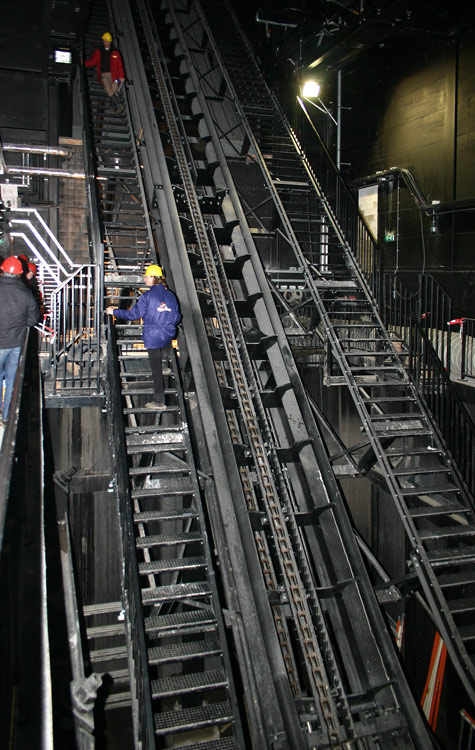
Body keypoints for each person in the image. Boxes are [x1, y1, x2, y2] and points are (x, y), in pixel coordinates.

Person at [106, 265, 181, 410]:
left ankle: (159, 401)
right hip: (169, 333)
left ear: (153, 278)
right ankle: (165, 361)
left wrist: (114, 312)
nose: (144, 279)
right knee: (165, 341)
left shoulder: (147, 297)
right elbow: (177, 316)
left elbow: (133, 315)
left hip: (153, 337)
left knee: (156, 371)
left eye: (146, 277)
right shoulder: (171, 296)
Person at [0, 256, 40, 425]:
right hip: (16, 343)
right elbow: (33, 319)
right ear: (20, 273)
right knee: (12, 381)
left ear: (2, 270)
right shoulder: (25, 292)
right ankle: (6, 417)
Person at [84, 32, 125, 113]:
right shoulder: (99, 51)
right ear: (103, 41)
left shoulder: (115, 53)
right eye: (105, 41)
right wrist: (84, 63)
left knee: (114, 89)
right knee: (108, 89)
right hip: (104, 75)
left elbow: (120, 65)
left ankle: (112, 107)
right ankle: (119, 105)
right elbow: (93, 61)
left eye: (108, 41)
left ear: (110, 42)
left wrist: (121, 76)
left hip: (115, 76)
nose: (106, 43)